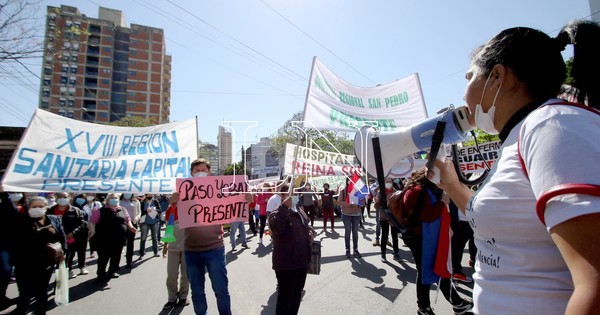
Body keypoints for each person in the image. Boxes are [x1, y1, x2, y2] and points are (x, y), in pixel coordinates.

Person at [432, 21, 600, 315]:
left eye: (469, 77)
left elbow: (595, 283)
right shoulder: (522, 133)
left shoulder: (552, 125)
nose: (463, 94)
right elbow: (502, 218)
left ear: (497, 77)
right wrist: (450, 184)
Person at [400, 168, 473, 315]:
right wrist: (442, 202)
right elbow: (428, 215)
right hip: (421, 238)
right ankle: (426, 307)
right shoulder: (417, 191)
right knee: (429, 270)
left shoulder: (421, 189)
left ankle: (453, 303)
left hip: (426, 237)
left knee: (435, 268)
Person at [170, 158, 231, 315]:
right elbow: (170, 220)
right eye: (197, 171)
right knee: (197, 293)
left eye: (203, 170)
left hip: (215, 249)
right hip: (191, 251)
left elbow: (234, 206)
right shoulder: (182, 194)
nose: (200, 173)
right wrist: (172, 203)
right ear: (191, 173)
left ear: (209, 172)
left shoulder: (220, 191)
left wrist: (247, 200)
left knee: (221, 290)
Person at [12, 196, 66, 315]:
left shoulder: (54, 219)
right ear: (28, 208)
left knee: (41, 292)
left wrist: (63, 252)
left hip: (46, 263)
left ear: (46, 208)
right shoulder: (20, 220)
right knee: (25, 294)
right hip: (24, 264)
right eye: (34, 206)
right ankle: (21, 311)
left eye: (41, 206)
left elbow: (61, 237)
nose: (38, 209)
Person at [268, 184, 313, 315]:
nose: (294, 195)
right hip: (286, 264)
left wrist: (309, 233)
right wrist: (284, 207)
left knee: (296, 297)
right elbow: (276, 228)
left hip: (302, 261)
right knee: (285, 300)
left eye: (295, 192)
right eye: (290, 193)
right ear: (282, 196)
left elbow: (307, 225)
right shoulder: (277, 212)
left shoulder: (299, 209)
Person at [88, 193, 137, 282]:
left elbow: (127, 220)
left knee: (116, 256)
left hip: (119, 238)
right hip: (104, 239)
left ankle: (112, 271)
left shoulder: (122, 209)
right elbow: (91, 222)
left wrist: (131, 227)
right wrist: (93, 231)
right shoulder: (100, 211)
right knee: (103, 257)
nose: (114, 199)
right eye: (111, 198)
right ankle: (101, 274)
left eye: (115, 198)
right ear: (107, 200)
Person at [47, 192, 89, 279]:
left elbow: (82, 224)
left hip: (70, 238)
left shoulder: (76, 211)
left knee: (69, 255)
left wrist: (72, 233)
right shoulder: (50, 210)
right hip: (55, 239)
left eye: (64, 197)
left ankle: (68, 270)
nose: (62, 198)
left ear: (69, 198)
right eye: (60, 197)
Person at [161, 202, 190, 310]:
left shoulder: (190, 208)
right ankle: (172, 298)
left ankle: (183, 296)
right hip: (173, 248)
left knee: (185, 274)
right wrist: (165, 245)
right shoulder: (170, 210)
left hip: (187, 247)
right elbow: (169, 228)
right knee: (171, 275)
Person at [449, 201, 476, 283]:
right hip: (460, 218)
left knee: (471, 241)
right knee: (457, 245)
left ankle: (472, 260)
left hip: (468, 218)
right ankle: (455, 272)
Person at [375, 177, 400, 262]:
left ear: (392, 183)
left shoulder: (396, 192)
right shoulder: (380, 192)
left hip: (393, 217)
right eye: (387, 181)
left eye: (390, 181)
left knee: (394, 236)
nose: (388, 183)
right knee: (384, 235)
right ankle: (383, 254)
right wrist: (377, 202)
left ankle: (396, 253)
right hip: (384, 216)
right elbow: (376, 206)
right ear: (384, 183)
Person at [338, 184, 362, 259]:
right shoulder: (343, 189)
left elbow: (363, 201)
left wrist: (358, 204)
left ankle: (356, 249)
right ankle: (347, 249)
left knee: (355, 232)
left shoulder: (359, 189)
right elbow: (339, 202)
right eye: (350, 177)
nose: (351, 179)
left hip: (356, 214)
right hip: (346, 214)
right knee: (347, 231)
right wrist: (349, 204)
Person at [120, 193, 141, 268]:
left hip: (132, 223)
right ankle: (116, 263)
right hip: (121, 223)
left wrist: (136, 219)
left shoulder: (135, 201)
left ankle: (129, 261)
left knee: (130, 242)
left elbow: (139, 212)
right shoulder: (119, 201)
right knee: (120, 243)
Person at [139, 193, 162, 259]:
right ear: (145, 195)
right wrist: (146, 211)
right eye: (148, 195)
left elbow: (159, 210)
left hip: (154, 222)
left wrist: (154, 210)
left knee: (154, 238)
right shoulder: (143, 202)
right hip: (144, 222)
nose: (150, 196)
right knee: (143, 238)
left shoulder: (155, 201)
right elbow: (140, 212)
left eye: (151, 195)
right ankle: (142, 253)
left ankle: (155, 252)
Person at [83, 193, 102, 258]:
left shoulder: (97, 203)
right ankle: (88, 251)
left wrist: (96, 211)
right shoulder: (84, 204)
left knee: (95, 237)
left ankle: (95, 251)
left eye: (92, 195)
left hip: (95, 223)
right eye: (88, 195)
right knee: (88, 237)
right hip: (86, 223)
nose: (90, 197)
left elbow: (101, 211)